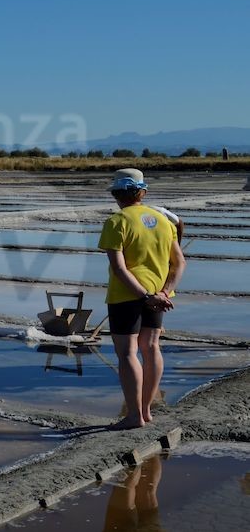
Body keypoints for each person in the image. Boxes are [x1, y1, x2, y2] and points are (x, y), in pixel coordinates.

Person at [98, 168, 186, 430]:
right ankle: (146, 410)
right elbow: (179, 263)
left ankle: (134, 416)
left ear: (116, 195)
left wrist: (145, 296)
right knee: (151, 347)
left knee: (127, 353)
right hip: (158, 296)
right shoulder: (163, 221)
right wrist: (163, 292)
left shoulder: (117, 221)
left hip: (127, 295)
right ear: (142, 193)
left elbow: (119, 268)